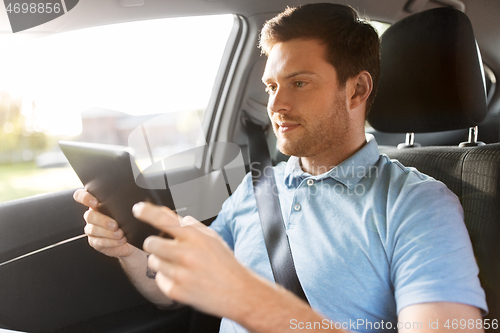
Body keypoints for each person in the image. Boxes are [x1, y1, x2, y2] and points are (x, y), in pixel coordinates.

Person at [74, 3, 487, 332]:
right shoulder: (259, 187)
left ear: (357, 89)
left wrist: (244, 296)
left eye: (299, 82)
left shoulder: (417, 205)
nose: (275, 105)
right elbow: (172, 294)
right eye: (272, 86)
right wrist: (129, 250)